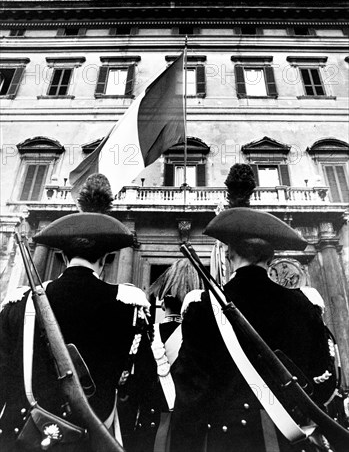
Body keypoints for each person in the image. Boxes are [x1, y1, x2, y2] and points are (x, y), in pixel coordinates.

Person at [171, 168, 337, 452]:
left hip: (226, 441)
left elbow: (189, 392)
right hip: (292, 440)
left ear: (228, 254)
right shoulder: (304, 306)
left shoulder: (204, 307)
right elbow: (325, 381)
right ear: (271, 256)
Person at [0, 175, 156, 451]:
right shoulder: (130, 306)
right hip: (96, 438)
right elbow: (143, 387)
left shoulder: (19, 304)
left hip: (27, 438)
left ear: (61, 254)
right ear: (107, 257)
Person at [124, 259, 203, 452]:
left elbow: (136, 384)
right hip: (193, 428)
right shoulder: (203, 333)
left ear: (162, 301)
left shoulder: (147, 332)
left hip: (151, 423)